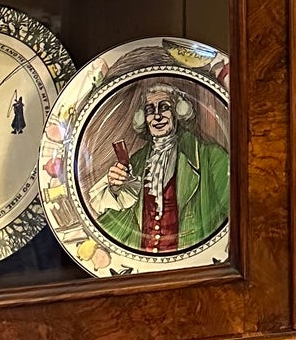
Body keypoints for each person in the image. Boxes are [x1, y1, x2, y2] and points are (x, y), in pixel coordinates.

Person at [93, 80, 229, 254]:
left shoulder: (210, 157)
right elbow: (118, 221)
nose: (157, 116)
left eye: (164, 107)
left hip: (191, 262)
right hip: (143, 264)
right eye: (150, 110)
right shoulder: (137, 161)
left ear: (178, 112)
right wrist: (115, 189)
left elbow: (238, 217)